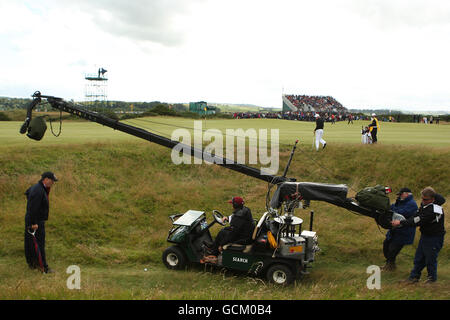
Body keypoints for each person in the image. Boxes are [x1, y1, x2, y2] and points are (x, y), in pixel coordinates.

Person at [391, 187, 446, 283]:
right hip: (426, 236)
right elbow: (415, 216)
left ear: (433, 199)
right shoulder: (425, 206)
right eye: (422, 199)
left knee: (430, 259)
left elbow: (418, 220)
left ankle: (432, 280)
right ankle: (414, 277)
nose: (423, 201)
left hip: (434, 238)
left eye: (426, 199)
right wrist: (405, 221)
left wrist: (401, 222)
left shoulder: (433, 210)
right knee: (419, 257)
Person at [24, 171, 58, 273]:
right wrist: (34, 223)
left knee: (31, 243)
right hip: (35, 221)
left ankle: (33, 264)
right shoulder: (38, 190)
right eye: (52, 181)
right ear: (46, 179)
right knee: (38, 244)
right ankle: (44, 267)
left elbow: (27, 192)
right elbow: (33, 208)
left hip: (33, 219)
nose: (52, 183)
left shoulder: (38, 188)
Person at [382, 188, 417, 271]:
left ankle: (390, 267)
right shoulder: (400, 202)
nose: (399, 196)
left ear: (407, 194)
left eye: (401, 194)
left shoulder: (412, 204)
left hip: (404, 232)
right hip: (395, 230)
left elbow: (400, 213)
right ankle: (389, 265)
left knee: (392, 249)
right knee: (386, 245)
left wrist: (391, 209)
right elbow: (392, 208)